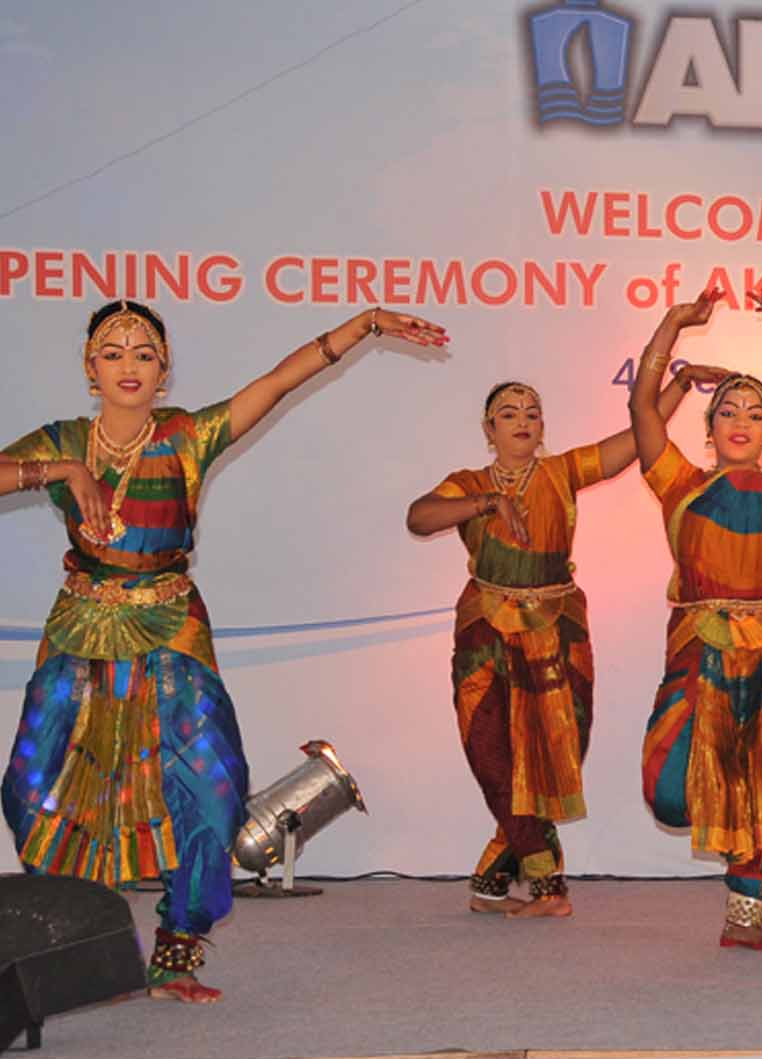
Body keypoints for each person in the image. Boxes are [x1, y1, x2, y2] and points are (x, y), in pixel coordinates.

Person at [1, 300, 446, 1001]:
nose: (128, 365)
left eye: (144, 353)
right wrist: (60, 470)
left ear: (164, 369)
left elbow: (276, 383)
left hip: (173, 623)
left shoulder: (187, 436)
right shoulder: (65, 440)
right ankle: (78, 938)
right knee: (34, 786)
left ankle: (178, 946)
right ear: (90, 368)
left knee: (211, 785)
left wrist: (362, 325)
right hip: (81, 626)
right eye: (112, 353)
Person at [405, 368, 716, 917]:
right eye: (508, 414)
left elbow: (633, 442)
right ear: (489, 429)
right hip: (485, 630)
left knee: (553, 755)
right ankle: (548, 887)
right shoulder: (467, 482)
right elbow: (420, 517)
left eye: (532, 414)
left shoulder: (560, 472)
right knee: (491, 755)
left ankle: (493, 880)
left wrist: (681, 383)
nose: (522, 422)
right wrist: (485, 502)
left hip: (557, 629)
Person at [630, 288, 762, 950]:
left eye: (756, 412)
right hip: (701, 649)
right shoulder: (678, 482)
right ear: (710, 427)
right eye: (728, 410)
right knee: (669, 788)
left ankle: (746, 916)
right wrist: (675, 323)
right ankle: (728, 828)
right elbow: (642, 407)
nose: (741, 420)